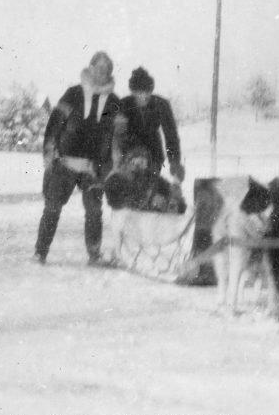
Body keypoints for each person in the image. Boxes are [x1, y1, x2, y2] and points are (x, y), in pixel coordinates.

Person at [33, 51, 121, 266]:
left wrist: (113, 164)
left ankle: (94, 255)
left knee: (94, 212)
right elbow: (55, 123)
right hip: (66, 163)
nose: (101, 73)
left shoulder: (115, 102)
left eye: (105, 69)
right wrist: (48, 151)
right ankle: (40, 253)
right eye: (98, 68)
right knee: (52, 207)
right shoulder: (73, 93)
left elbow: (118, 137)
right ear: (90, 68)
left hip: (94, 168)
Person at [109, 66, 185, 210]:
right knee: (133, 187)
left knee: (151, 184)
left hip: (154, 153)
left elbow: (171, 135)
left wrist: (174, 162)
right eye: (138, 92)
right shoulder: (124, 105)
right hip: (130, 153)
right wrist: (121, 159)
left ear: (151, 91)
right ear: (132, 91)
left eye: (146, 92)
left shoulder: (161, 104)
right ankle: (132, 210)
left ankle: (159, 206)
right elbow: (118, 135)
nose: (143, 96)